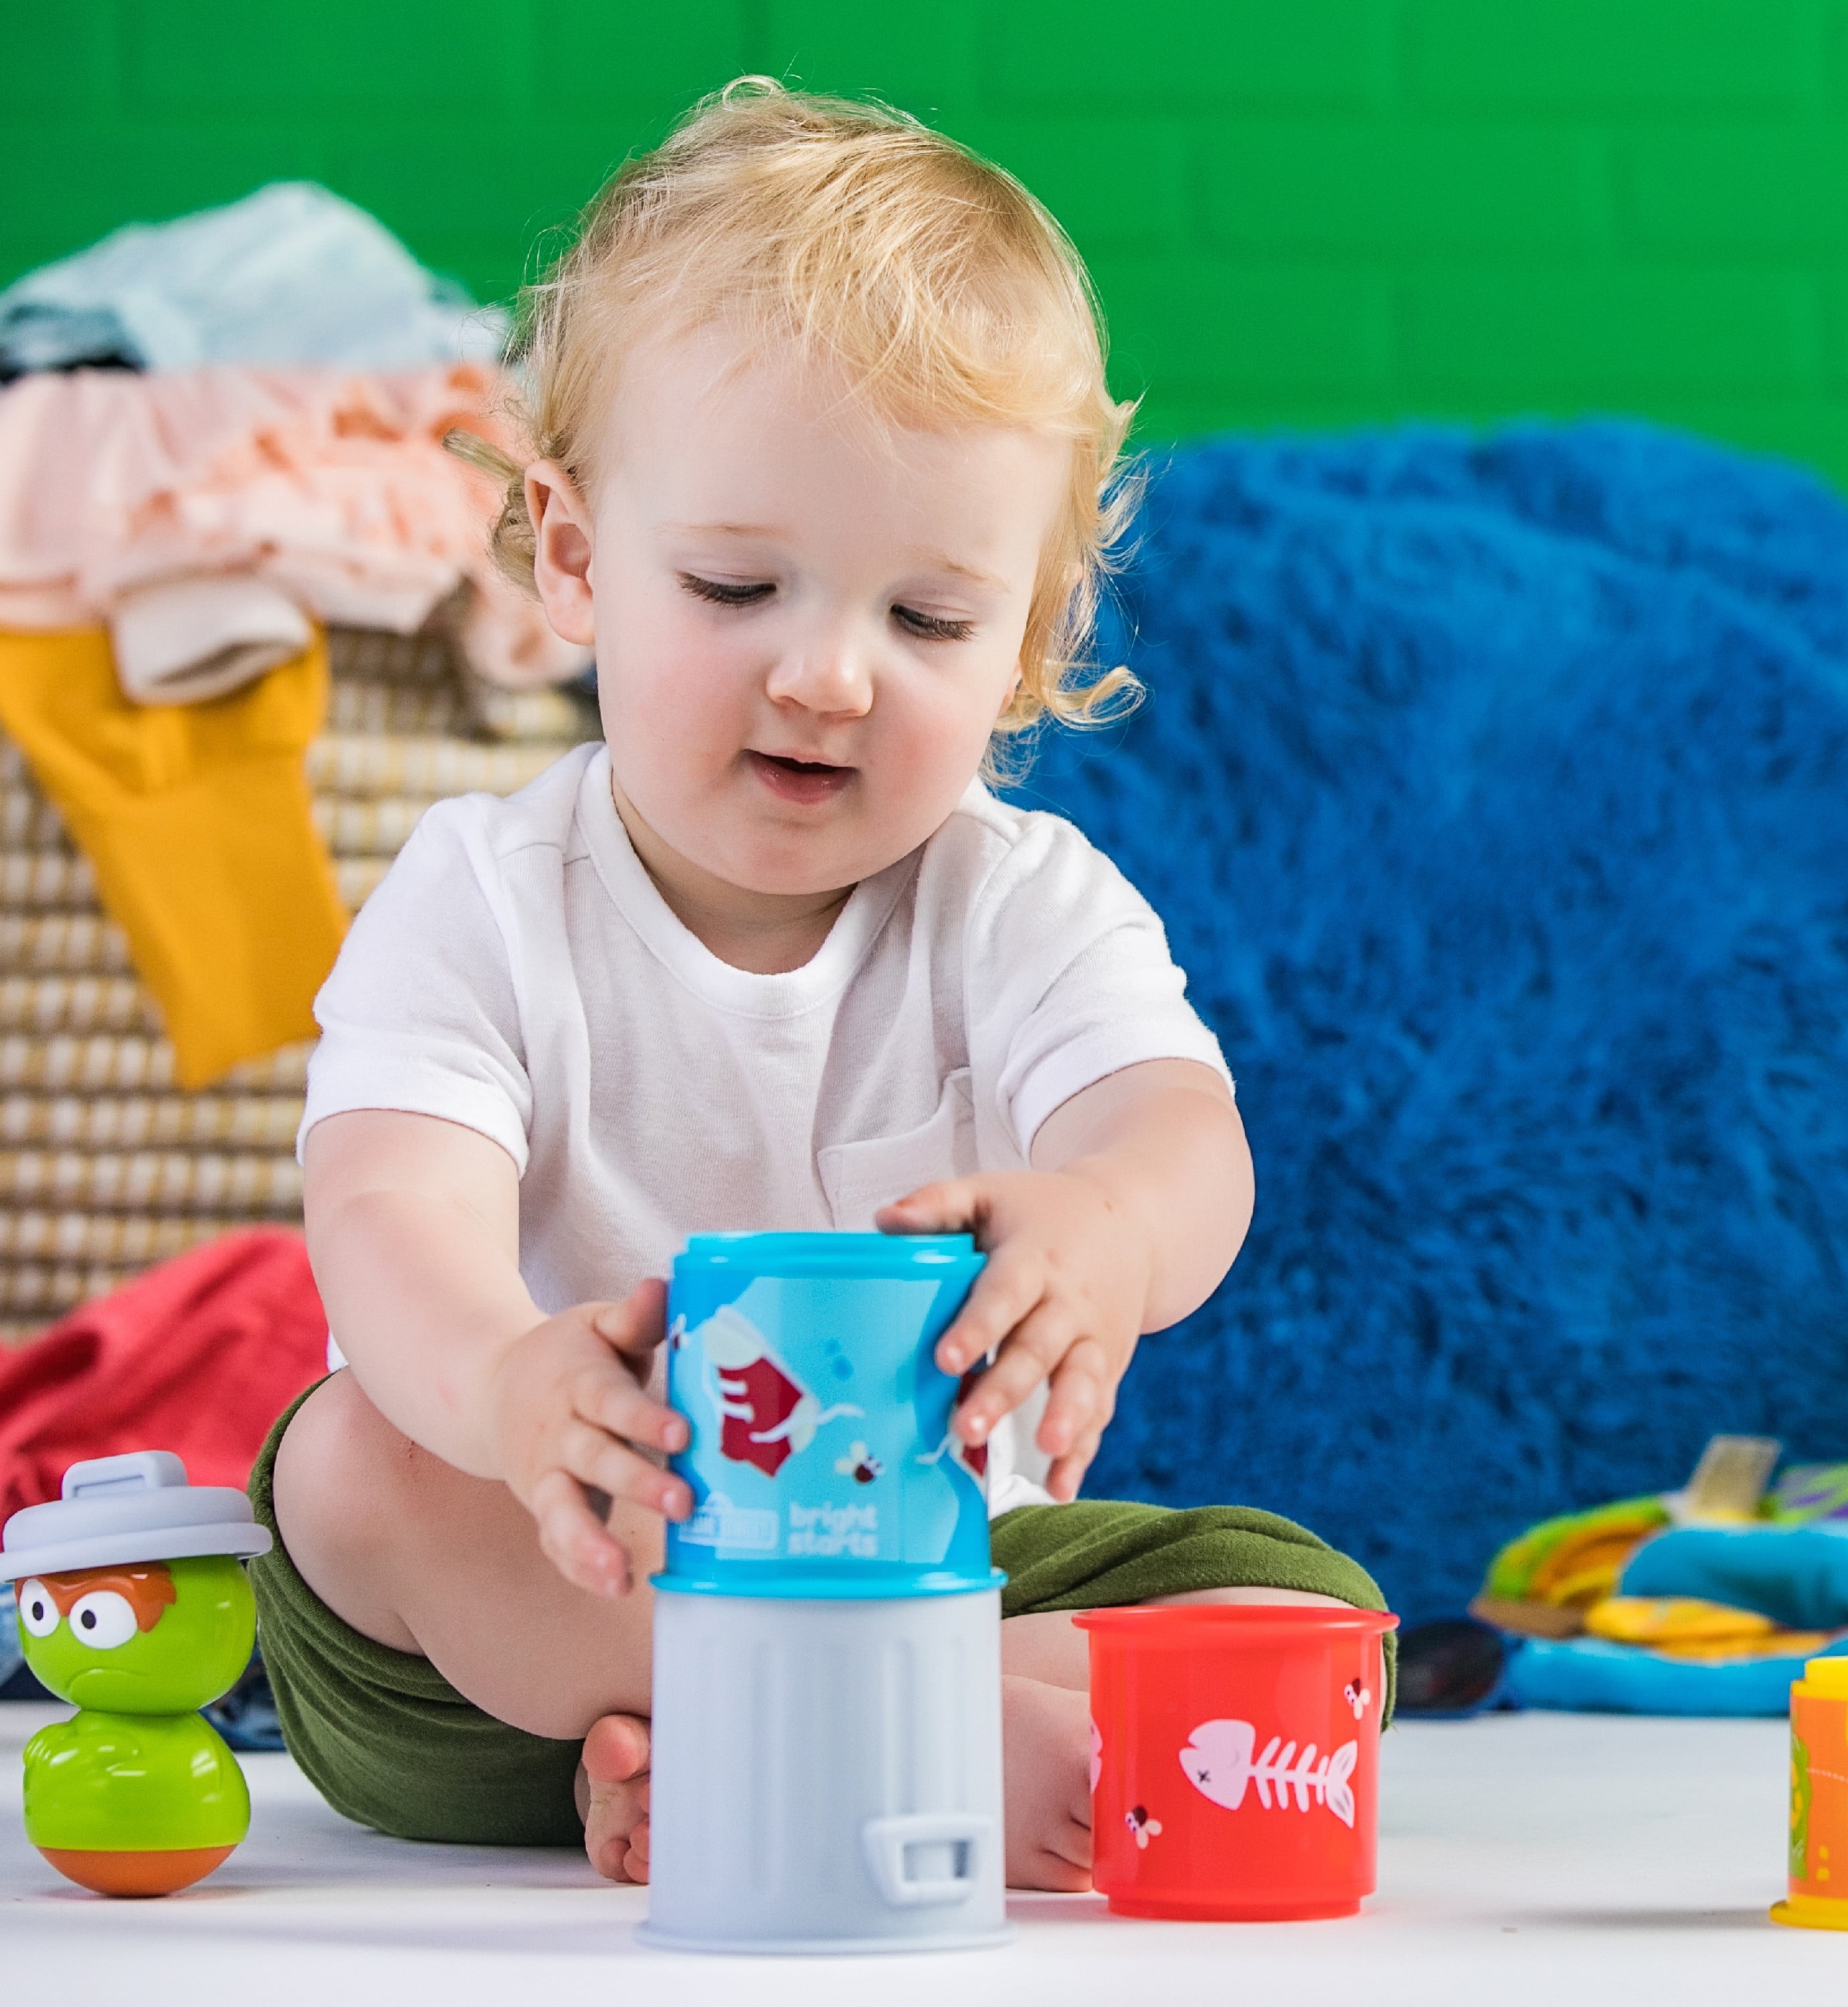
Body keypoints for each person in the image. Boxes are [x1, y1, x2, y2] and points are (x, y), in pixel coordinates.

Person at [249, 80, 1388, 1891]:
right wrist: (505, 1387)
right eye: (735, 586)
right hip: (553, 1597)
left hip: (925, 1558)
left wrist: (1104, 1226)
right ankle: (870, 1725)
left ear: (1022, 644)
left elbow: (1181, 1136)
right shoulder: (481, 896)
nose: (831, 677)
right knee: (351, 1465)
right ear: (572, 556)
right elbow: (385, 1204)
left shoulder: (1021, 906)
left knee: (1301, 1617)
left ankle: (758, 1762)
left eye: (928, 622)